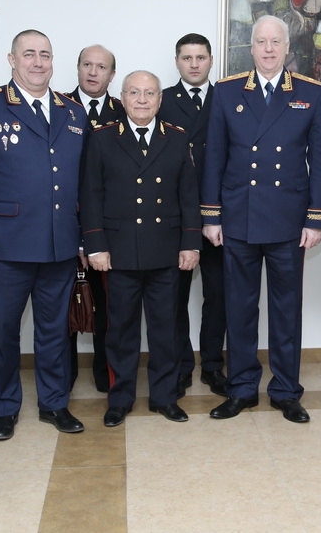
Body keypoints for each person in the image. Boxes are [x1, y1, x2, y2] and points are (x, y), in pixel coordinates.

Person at [0, 29, 87, 441]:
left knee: (54, 331)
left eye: (44, 54)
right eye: (28, 54)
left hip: (59, 244)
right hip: (6, 247)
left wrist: (84, 238)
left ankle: (54, 403)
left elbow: (82, 184)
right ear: (12, 60)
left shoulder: (72, 112)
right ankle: (4, 406)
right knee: (3, 332)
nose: (37, 62)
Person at [202, 15, 321, 424]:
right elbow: (214, 157)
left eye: (276, 42)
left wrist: (316, 218)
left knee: (286, 310)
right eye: (261, 42)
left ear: (288, 47)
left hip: (288, 221)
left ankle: (286, 391)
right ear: (251, 47)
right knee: (239, 309)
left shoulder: (310, 92)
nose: (269, 49)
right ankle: (242, 388)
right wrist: (211, 215)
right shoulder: (227, 91)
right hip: (238, 217)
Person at [81, 70, 202, 426]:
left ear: (160, 100)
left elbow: (189, 197)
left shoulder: (177, 138)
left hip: (165, 251)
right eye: (134, 92)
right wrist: (95, 245)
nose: (142, 100)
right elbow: (90, 194)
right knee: (120, 331)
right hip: (118, 253)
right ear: (122, 98)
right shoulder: (102, 138)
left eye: (150, 93)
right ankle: (119, 399)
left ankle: (164, 398)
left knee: (166, 330)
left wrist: (190, 244)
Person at [158, 33, 227, 398]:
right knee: (173, 296)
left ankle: (213, 365)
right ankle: (181, 365)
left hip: (218, 213)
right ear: (177, 62)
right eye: (187, 58)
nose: (195, 64)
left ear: (211, 60)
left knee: (219, 295)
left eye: (201, 57)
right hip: (174, 214)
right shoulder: (162, 100)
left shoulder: (228, 98)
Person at [66, 44, 124, 393]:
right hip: (65, 225)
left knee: (108, 308)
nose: (92, 72)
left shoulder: (124, 111)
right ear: (78, 68)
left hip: (108, 229)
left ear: (112, 75)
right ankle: (64, 377)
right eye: (87, 64)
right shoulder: (59, 107)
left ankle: (106, 375)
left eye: (101, 67)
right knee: (65, 308)